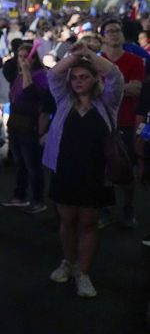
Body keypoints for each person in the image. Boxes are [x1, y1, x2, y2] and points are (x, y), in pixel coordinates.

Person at [42, 41, 123, 298]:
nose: (77, 81)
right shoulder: (64, 100)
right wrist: (73, 56)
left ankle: (83, 273)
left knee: (88, 223)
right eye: (74, 77)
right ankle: (69, 261)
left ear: (94, 79)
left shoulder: (107, 102)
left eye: (84, 76)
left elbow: (116, 76)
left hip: (96, 173)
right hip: (65, 170)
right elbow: (54, 74)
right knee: (67, 221)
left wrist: (89, 54)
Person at [100, 18, 144, 228]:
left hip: (126, 122)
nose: (115, 34)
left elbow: (136, 90)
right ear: (103, 36)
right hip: (103, 123)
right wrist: (122, 87)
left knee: (127, 170)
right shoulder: (97, 61)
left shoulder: (135, 61)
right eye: (110, 31)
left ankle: (128, 207)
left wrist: (107, 88)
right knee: (103, 170)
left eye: (117, 30)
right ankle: (106, 208)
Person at [1, 43, 50, 213]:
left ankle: (38, 199)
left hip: (30, 125)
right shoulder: (19, 75)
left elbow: (32, 94)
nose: (21, 60)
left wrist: (27, 71)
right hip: (17, 123)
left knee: (32, 165)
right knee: (20, 163)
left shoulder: (39, 75)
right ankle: (20, 195)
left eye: (25, 56)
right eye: (19, 56)